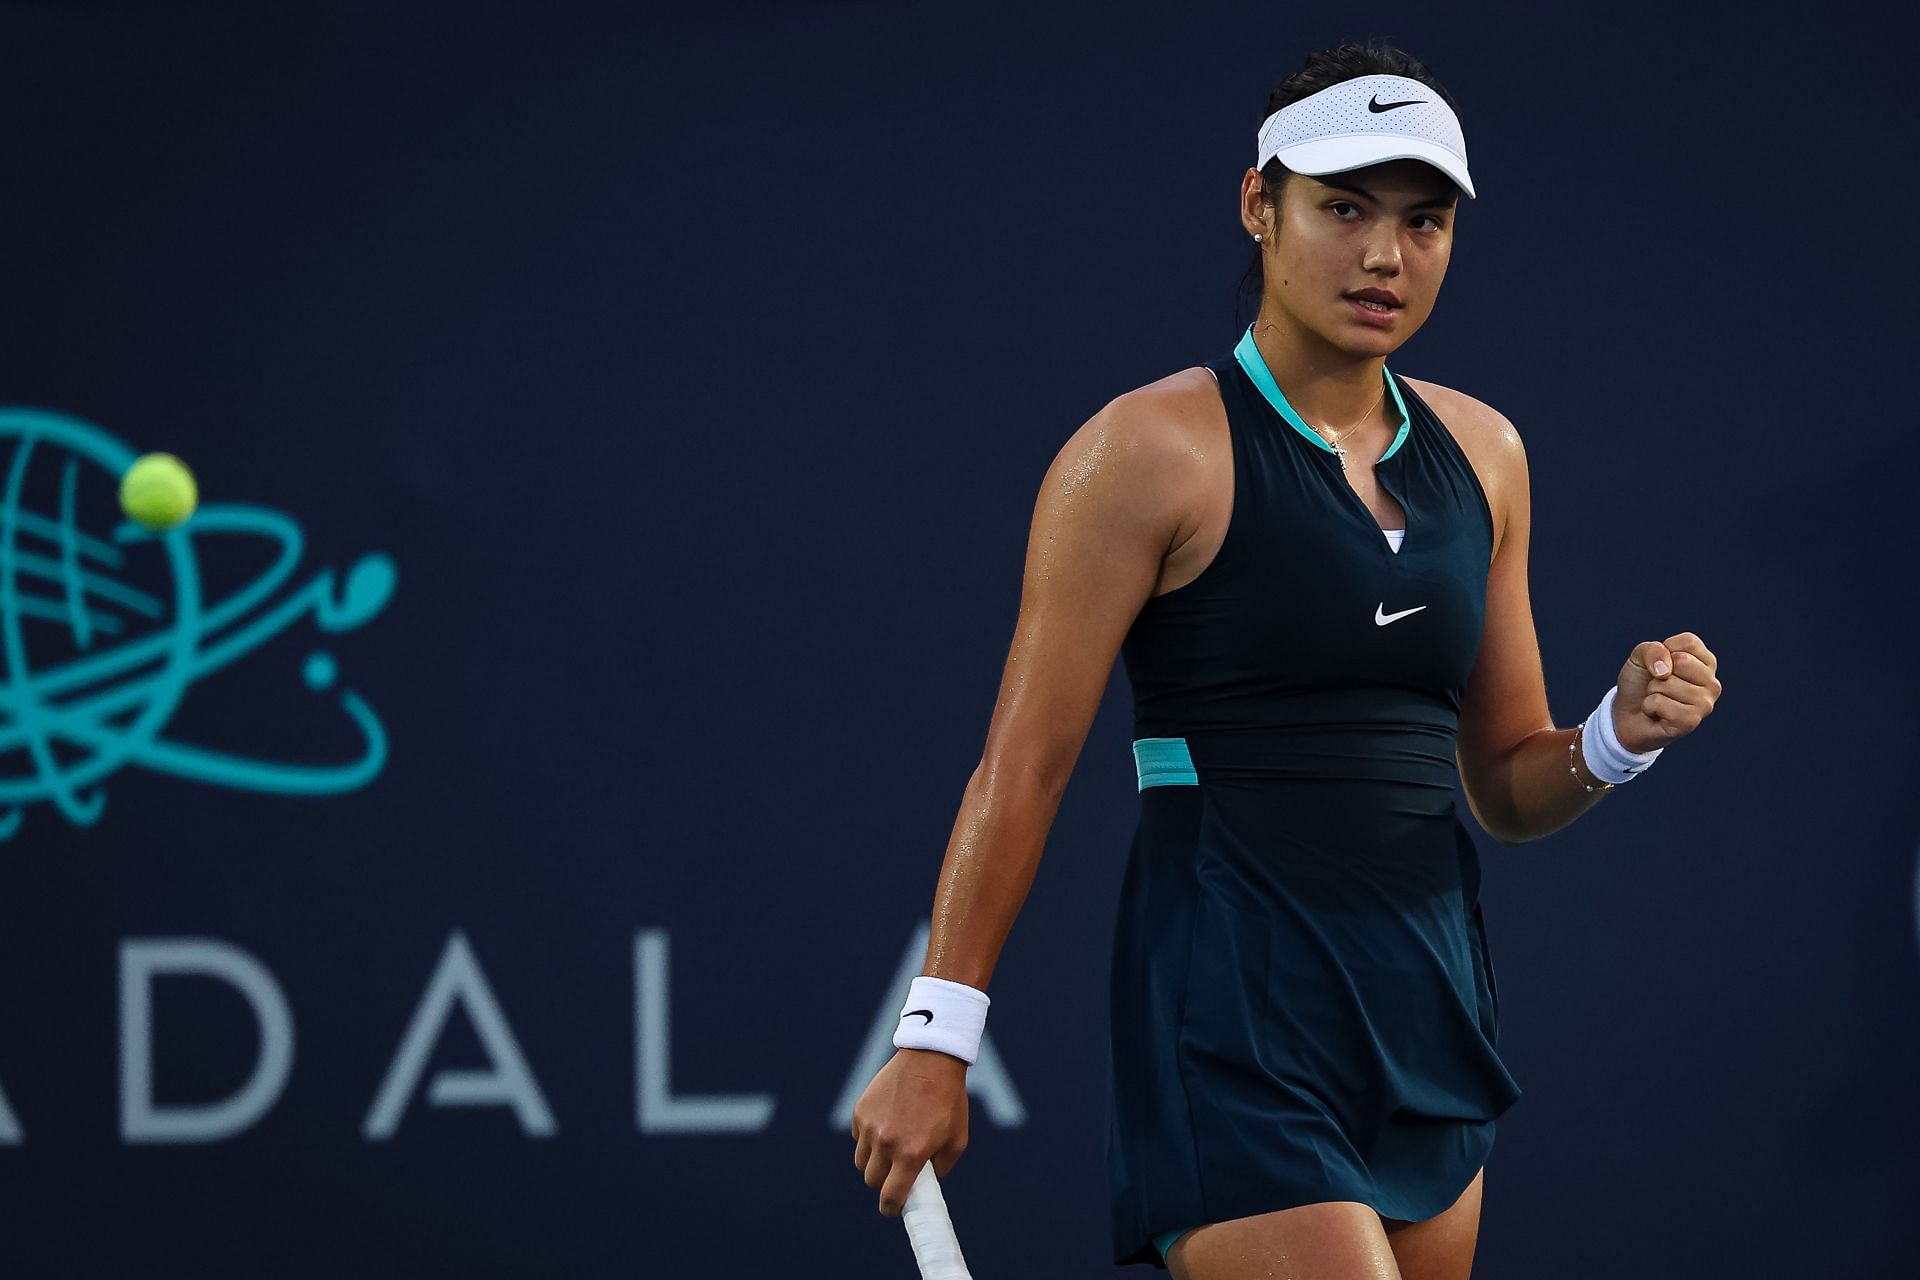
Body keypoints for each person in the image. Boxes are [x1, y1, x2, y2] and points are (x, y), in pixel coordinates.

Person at [850, 39, 1722, 1280]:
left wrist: (1616, 738)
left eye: (1424, 222)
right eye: (1345, 207)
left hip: (1427, 999)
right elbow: (1024, 764)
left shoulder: (1487, 455)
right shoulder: (1149, 450)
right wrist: (938, 1031)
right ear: (1260, 204)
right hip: (1231, 1002)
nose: (1384, 254)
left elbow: (1507, 787)